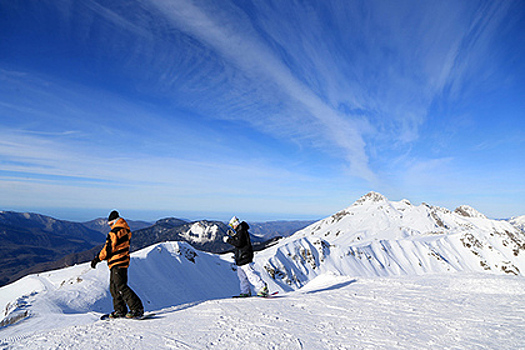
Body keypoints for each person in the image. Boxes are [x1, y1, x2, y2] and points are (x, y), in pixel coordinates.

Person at [91, 210, 144, 318]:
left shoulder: (115, 232)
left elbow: (108, 249)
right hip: (121, 261)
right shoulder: (125, 230)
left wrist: (97, 259)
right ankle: (120, 310)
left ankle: (136, 308)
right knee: (114, 287)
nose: (110, 226)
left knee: (120, 286)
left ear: (114, 222)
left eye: (110, 224)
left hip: (118, 262)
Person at [224, 216, 269, 297]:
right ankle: (245, 291)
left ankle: (262, 288)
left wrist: (228, 240)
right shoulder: (240, 231)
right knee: (242, 277)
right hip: (241, 257)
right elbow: (239, 241)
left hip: (244, 256)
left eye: (232, 225)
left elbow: (239, 243)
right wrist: (233, 236)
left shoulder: (241, 231)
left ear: (235, 223)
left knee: (250, 274)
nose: (232, 227)